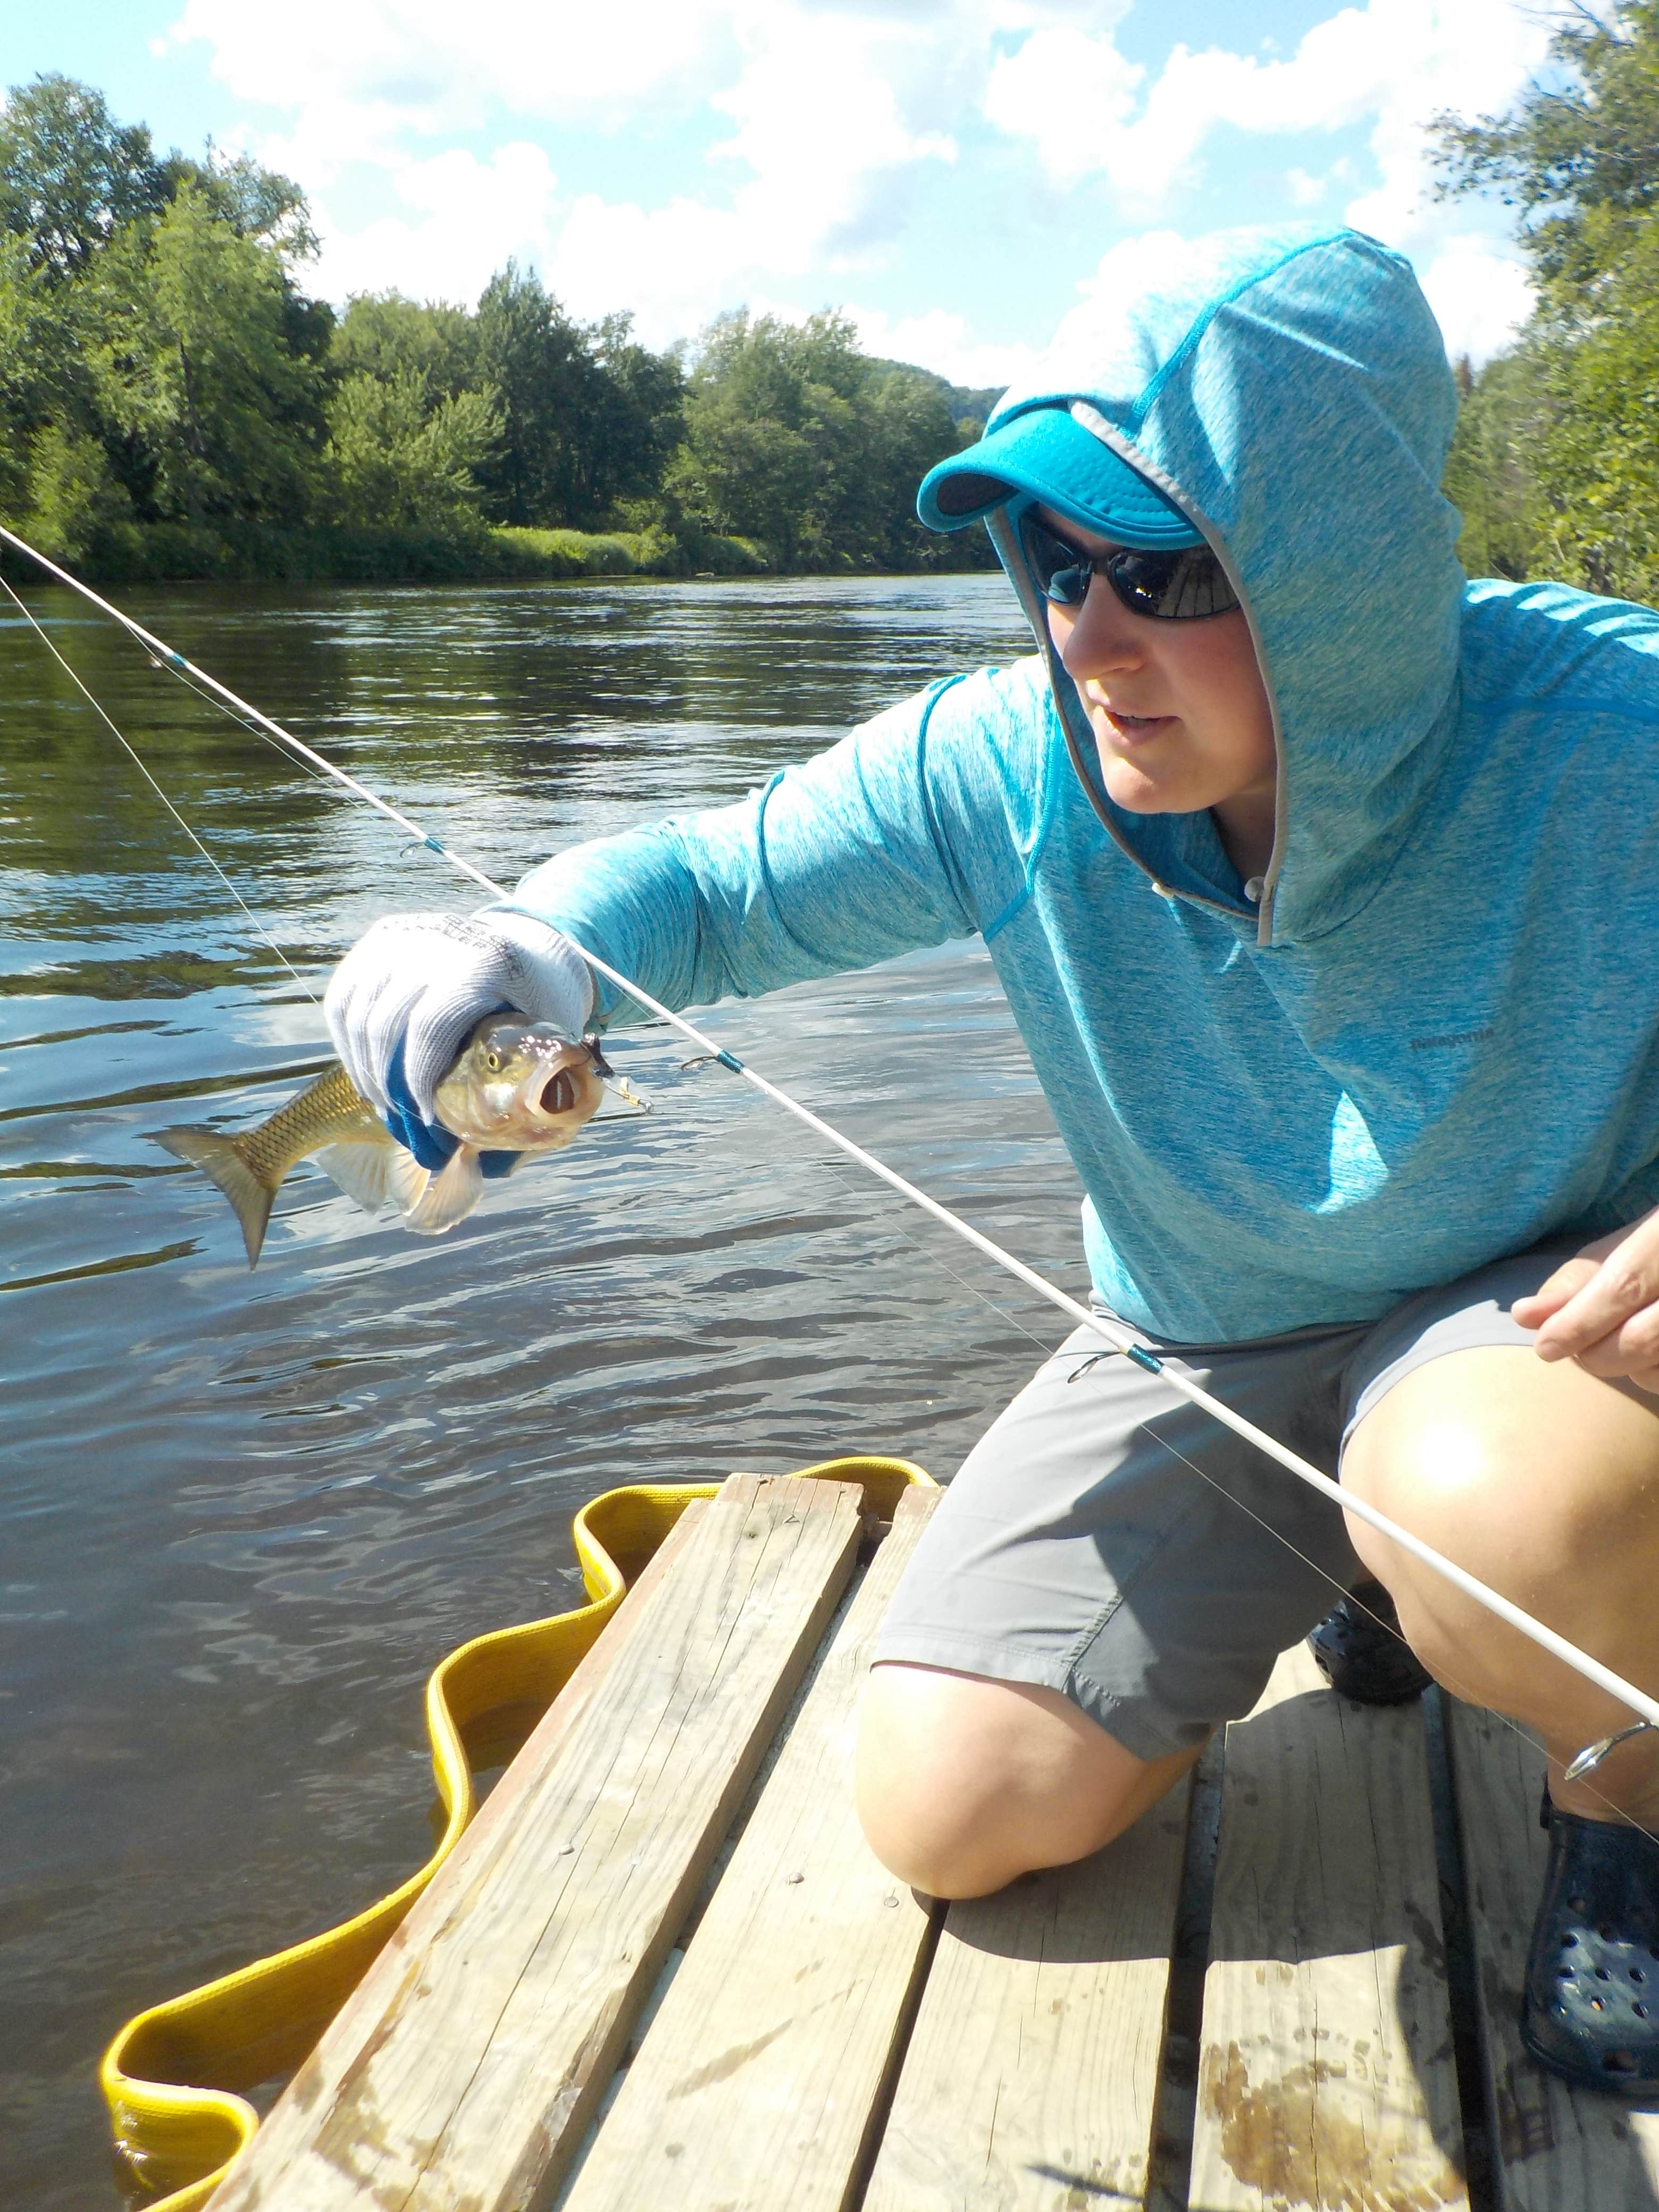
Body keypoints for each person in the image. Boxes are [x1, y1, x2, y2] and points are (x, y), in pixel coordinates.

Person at [325, 224, 1659, 2096]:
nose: (1085, 637)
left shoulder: (1617, 728)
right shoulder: (1002, 763)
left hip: (1534, 1331)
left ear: (1341, 579)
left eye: (1166, 571)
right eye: (1050, 561)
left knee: (1499, 1504)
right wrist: (520, 952)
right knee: (956, 1810)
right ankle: (1362, 1570)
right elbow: (709, 883)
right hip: (1201, 1342)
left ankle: (1626, 1791)